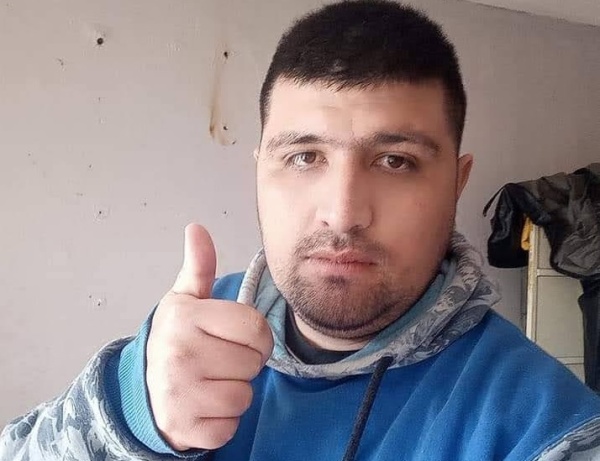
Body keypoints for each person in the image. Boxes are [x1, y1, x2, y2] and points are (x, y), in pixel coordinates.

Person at [2, 1, 600, 460]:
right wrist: (131, 417)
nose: (343, 213)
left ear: (457, 182)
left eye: (395, 161)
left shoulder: (545, 429)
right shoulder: (185, 335)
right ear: (260, 169)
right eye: (305, 157)